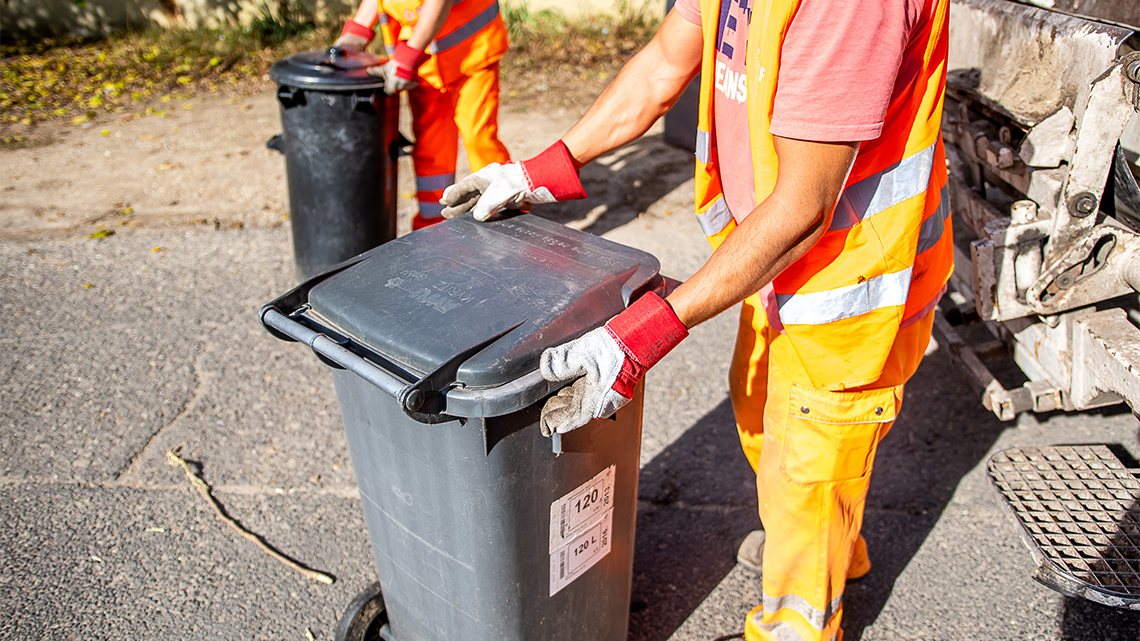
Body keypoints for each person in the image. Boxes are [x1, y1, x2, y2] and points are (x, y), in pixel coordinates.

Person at [440, 0, 952, 639]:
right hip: (773, 263)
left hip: (852, 281)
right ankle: (826, 547)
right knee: (763, 423)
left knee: (811, 461)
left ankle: (798, 618)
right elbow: (661, 67)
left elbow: (803, 207)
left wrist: (641, 336)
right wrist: (534, 173)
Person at [335, 0, 511, 229]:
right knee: (431, 148)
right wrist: (355, 34)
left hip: (472, 54)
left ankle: (504, 210)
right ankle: (433, 225)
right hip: (425, 65)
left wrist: (408, 57)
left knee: (479, 138)